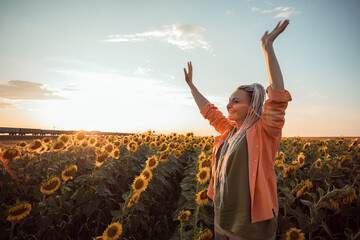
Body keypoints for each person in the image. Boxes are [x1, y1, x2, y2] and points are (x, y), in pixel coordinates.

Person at [183, 19, 292, 240]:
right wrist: (191, 86)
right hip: (221, 220)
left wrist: (268, 47)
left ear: (251, 105)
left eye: (235, 101)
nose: (228, 105)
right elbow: (209, 111)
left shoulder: (264, 131)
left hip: (250, 229)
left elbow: (278, 97)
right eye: (229, 100)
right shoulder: (229, 132)